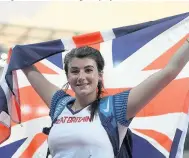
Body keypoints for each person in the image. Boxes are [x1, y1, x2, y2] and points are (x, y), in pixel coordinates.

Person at [22, 38, 189, 158]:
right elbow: (25, 64)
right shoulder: (59, 104)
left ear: (99, 75)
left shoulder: (116, 107)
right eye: (74, 71)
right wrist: (17, 54)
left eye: (88, 70)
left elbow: (169, 72)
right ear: (67, 76)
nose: (81, 77)